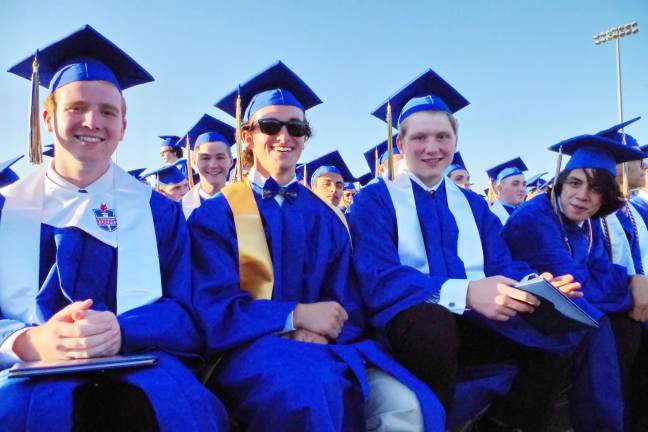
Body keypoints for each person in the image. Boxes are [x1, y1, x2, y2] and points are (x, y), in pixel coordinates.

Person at [190, 60, 444, 431]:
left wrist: (324, 327)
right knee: (309, 389)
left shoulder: (328, 216)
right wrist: (292, 318)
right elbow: (209, 306)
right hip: (246, 349)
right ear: (246, 137)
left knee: (407, 407)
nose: (284, 136)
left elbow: (349, 298)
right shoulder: (216, 215)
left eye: (296, 127)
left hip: (330, 344)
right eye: (270, 126)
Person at [0, 25, 227, 431]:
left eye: (108, 111)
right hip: (26, 370)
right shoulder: (6, 209)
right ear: (47, 117)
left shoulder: (157, 211)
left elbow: (189, 310)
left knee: (185, 410)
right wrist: (28, 341)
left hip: (143, 361)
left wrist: (123, 329)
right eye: (76, 108)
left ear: (123, 126)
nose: (93, 121)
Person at [348, 68, 582, 431]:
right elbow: (378, 277)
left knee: (557, 330)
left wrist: (536, 286)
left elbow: (500, 262)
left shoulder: (472, 204)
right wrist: (466, 292)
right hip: (406, 319)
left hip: (475, 318)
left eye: (443, 136)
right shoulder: (374, 200)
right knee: (433, 324)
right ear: (400, 145)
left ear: (455, 141)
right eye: (419, 137)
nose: (432, 148)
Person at [501, 132, 648, 431]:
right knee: (601, 327)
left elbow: (601, 270)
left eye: (596, 189)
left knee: (633, 327)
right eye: (575, 183)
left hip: (567, 306)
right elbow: (576, 282)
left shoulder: (589, 220)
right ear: (561, 181)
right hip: (523, 313)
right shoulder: (534, 220)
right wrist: (633, 284)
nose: (583, 195)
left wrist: (635, 282)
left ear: (606, 196)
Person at [179, 114, 235, 218]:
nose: (213, 165)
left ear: (231, 161)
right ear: (193, 163)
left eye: (220, 157)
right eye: (205, 158)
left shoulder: (248, 202)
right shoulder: (180, 211)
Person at [486, 157, 528, 225]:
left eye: (524, 184)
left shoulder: (528, 213)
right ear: (500, 188)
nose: (522, 189)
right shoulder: (490, 218)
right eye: (515, 184)